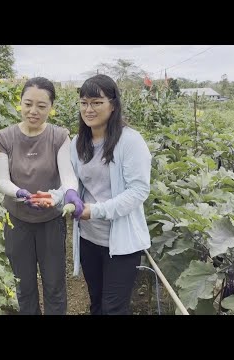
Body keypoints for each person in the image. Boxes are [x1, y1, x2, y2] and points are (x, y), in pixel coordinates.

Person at [0, 77, 83, 315]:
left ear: (51, 108)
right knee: (24, 285)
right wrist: (19, 192)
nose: (33, 111)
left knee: (54, 285)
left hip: (50, 222)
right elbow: (2, 180)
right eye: (28, 103)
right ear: (19, 103)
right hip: (17, 222)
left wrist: (68, 192)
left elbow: (68, 175)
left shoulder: (59, 136)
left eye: (42, 106)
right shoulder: (4, 137)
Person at [70, 74, 152, 315]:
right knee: (96, 302)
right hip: (88, 238)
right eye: (84, 102)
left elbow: (138, 191)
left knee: (113, 308)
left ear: (113, 104)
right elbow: (71, 185)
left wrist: (95, 210)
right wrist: (52, 198)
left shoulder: (130, 142)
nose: (89, 109)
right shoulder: (78, 143)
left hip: (122, 244)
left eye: (97, 102)